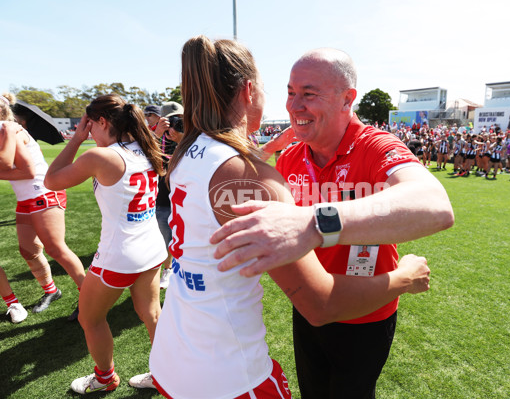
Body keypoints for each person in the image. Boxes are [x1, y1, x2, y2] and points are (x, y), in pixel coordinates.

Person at [148, 36, 434, 399]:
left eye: (309, 93)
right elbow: (321, 303)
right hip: (236, 364)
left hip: (184, 349)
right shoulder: (263, 169)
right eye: (288, 91)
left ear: (348, 99)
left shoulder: (189, 151)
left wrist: (266, 155)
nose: (294, 104)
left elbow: (434, 204)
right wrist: (404, 276)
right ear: (250, 91)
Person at [44, 94, 167, 394]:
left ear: (101, 121)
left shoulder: (103, 156)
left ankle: (105, 377)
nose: (89, 132)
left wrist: (75, 140)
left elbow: (51, 180)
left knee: (90, 318)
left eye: (90, 125)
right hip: (151, 248)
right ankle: (166, 372)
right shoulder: (145, 147)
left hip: (119, 255)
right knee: (151, 314)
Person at [1, 93, 86, 319]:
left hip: (44, 193)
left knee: (56, 249)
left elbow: (25, 171)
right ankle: (52, 291)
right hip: (27, 198)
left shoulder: (9, 130)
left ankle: (88, 297)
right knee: (28, 250)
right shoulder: (5, 130)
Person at [154, 102, 185, 289]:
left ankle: (181, 270)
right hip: (164, 199)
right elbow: (140, 156)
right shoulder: (154, 139)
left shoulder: (191, 138)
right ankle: (167, 269)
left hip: (186, 200)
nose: (174, 125)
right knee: (165, 238)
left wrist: (182, 138)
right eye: (170, 121)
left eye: (179, 120)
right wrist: (157, 134)